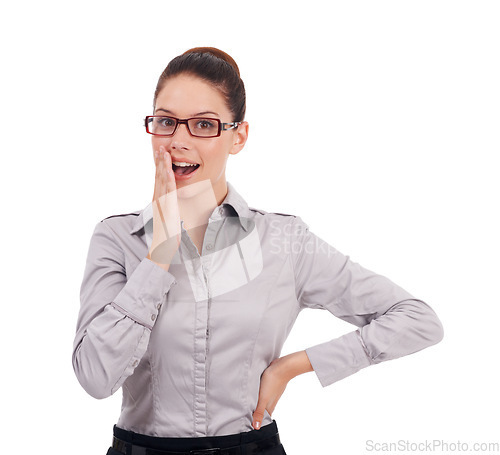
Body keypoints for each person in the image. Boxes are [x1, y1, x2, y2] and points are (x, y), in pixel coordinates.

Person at [73, 47, 444, 455]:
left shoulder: (284, 241)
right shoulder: (116, 237)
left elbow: (417, 320)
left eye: (203, 124)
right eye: (166, 122)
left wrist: (294, 366)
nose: (178, 140)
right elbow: (95, 377)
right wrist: (158, 254)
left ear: (239, 137)